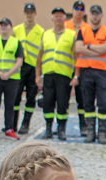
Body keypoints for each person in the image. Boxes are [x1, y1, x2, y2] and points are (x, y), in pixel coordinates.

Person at [73, 4, 106, 144]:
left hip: (102, 71)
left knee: (104, 104)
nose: (95, 16)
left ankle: (102, 133)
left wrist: (88, 47)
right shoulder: (82, 31)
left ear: (101, 15)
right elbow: (78, 48)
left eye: (97, 13)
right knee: (87, 103)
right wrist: (97, 50)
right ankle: (91, 131)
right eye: (93, 13)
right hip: (86, 71)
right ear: (89, 15)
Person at [36, 7, 77, 140]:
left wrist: (76, 75)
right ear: (52, 18)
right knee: (47, 103)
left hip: (64, 75)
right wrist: (37, 75)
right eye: (56, 16)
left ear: (65, 18)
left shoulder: (71, 35)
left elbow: (77, 57)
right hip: (48, 74)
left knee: (62, 103)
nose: (58, 18)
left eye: (61, 16)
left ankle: (61, 130)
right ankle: (48, 129)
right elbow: (40, 56)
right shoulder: (46, 34)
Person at [13, 2, 43, 134]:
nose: (29, 15)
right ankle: (12, 123)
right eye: (27, 13)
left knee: (31, 97)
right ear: (24, 14)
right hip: (19, 68)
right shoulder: (16, 30)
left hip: (33, 67)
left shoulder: (40, 31)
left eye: (31, 12)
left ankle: (25, 124)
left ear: (35, 14)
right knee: (15, 97)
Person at [64, 0, 88, 136]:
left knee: (82, 98)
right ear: (72, 10)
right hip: (67, 65)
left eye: (81, 9)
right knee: (63, 98)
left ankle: (83, 125)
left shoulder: (87, 28)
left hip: (82, 66)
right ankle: (61, 126)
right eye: (77, 8)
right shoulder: (65, 25)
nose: (79, 11)